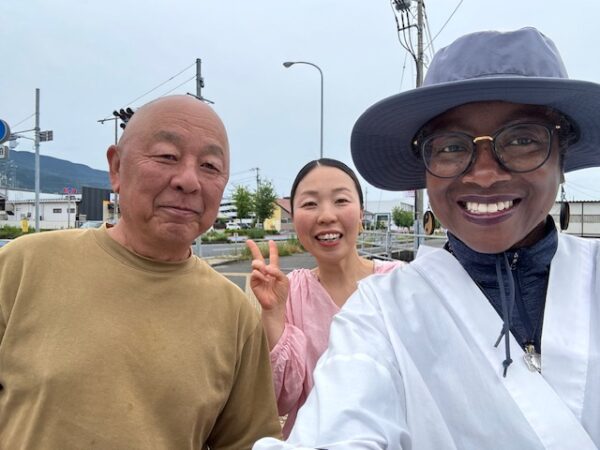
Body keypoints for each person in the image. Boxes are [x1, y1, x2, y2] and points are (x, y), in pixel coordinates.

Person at [254, 28, 600, 449]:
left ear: (563, 154)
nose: (485, 173)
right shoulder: (380, 311)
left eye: (523, 139)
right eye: (452, 146)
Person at [0, 95, 281, 449]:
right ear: (116, 168)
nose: (188, 180)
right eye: (167, 156)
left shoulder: (235, 314)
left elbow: (250, 441)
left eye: (210, 166)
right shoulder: (23, 265)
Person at [246, 158, 405, 437]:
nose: (326, 215)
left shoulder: (400, 282)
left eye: (341, 200)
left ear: (361, 213)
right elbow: (281, 399)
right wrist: (272, 312)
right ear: (294, 218)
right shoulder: (291, 291)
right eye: (310, 204)